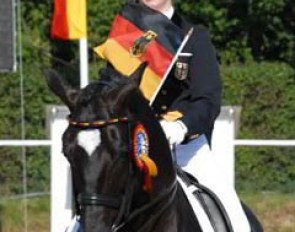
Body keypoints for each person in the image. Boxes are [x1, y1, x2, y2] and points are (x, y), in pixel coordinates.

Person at [136, 0, 251, 231]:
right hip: (135, 145)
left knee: (234, 215)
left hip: (185, 149)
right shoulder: (127, 36)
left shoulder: (193, 37)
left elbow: (207, 100)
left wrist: (180, 127)